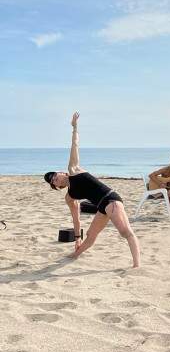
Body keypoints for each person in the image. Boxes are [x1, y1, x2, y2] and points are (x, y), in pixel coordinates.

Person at [44, 113, 140, 268]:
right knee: (90, 235)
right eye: (53, 181)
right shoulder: (70, 197)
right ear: (57, 186)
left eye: (55, 175)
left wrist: (75, 128)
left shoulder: (73, 169)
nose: (55, 178)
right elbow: (76, 219)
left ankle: (137, 265)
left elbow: (74, 145)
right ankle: (75, 254)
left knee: (125, 232)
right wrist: (77, 238)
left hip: (111, 199)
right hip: (102, 207)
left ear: (62, 173)